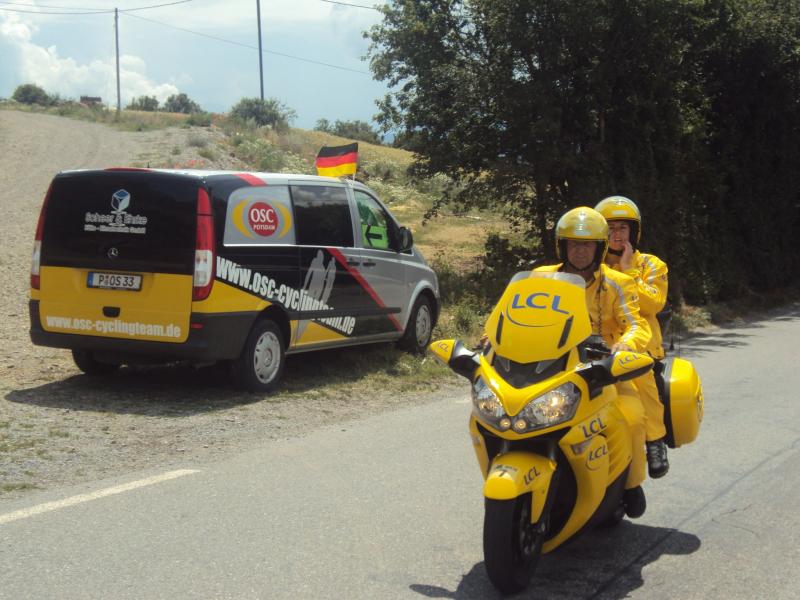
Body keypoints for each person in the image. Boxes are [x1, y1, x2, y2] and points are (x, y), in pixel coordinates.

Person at [535, 206, 652, 517]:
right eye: (574, 244)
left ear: (600, 248)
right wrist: (490, 337)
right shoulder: (541, 277)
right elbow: (510, 311)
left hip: (602, 369)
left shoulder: (617, 282)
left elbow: (637, 324)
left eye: (587, 244)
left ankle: (631, 484)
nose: (580, 251)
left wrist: (624, 346)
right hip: (548, 365)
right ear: (562, 246)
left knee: (632, 417)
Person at [595, 196, 670, 478]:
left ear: (634, 232)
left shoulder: (651, 264)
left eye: (623, 228)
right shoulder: (591, 265)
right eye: (611, 229)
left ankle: (655, 441)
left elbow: (653, 304)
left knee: (643, 383)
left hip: (640, 344)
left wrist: (628, 270)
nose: (617, 235)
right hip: (599, 344)